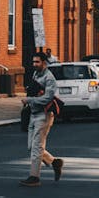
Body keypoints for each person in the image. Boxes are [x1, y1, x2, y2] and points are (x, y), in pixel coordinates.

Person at [20, 51, 64, 187]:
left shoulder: (49, 78)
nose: (34, 64)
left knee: (37, 147)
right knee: (31, 147)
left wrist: (30, 100)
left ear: (44, 63)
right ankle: (54, 162)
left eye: (37, 62)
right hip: (33, 114)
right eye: (33, 62)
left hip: (43, 115)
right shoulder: (35, 74)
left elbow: (48, 97)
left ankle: (34, 177)